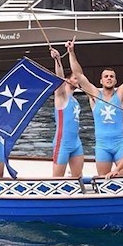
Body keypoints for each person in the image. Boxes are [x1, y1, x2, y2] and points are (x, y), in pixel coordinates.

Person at [67, 38, 123, 175]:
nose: (109, 78)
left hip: (120, 145)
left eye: (112, 76)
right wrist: (71, 52)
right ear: (101, 80)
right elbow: (79, 75)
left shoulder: (121, 94)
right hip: (102, 147)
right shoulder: (94, 94)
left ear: (116, 80)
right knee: (103, 181)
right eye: (106, 76)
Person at [50, 48, 84, 177]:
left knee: (78, 176)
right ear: (68, 80)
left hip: (76, 142)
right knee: (57, 178)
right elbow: (59, 78)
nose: (78, 80)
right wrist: (58, 60)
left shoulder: (76, 101)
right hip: (62, 142)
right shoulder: (61, 96)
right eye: (75, 78)